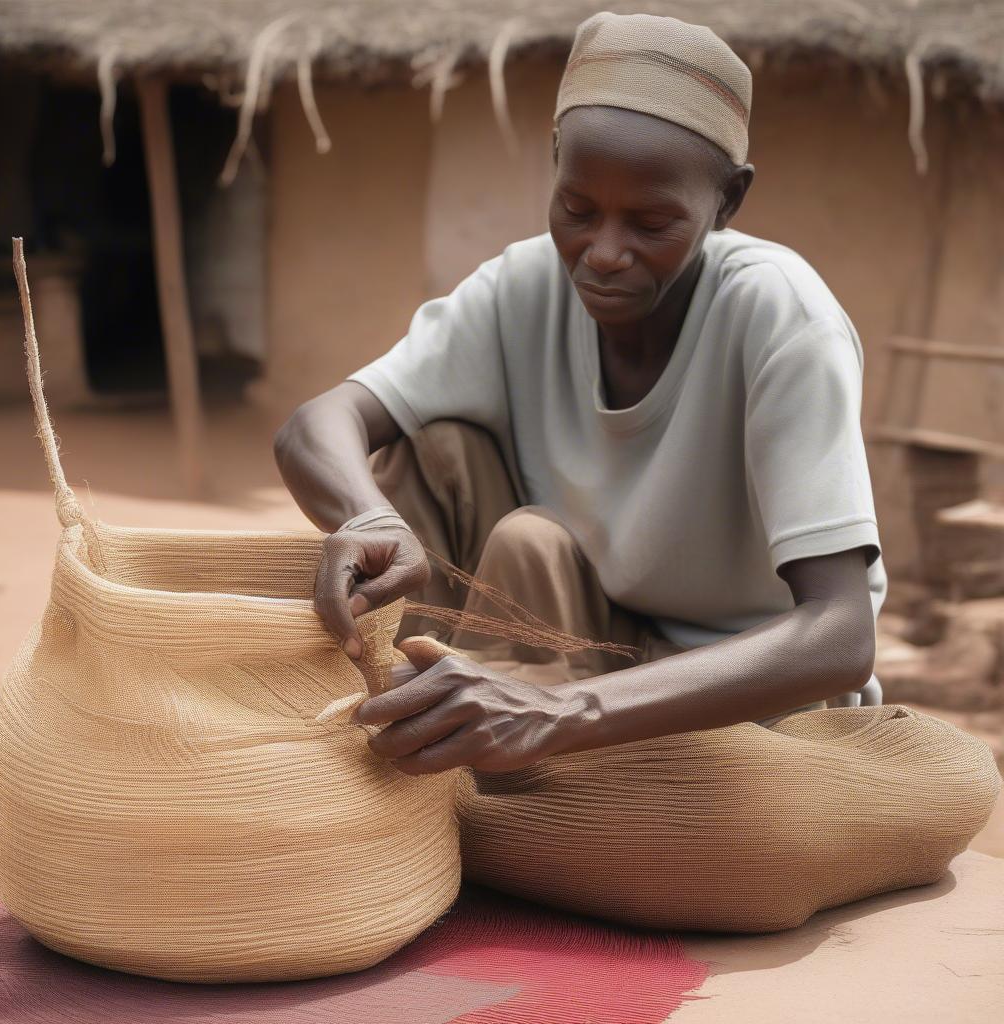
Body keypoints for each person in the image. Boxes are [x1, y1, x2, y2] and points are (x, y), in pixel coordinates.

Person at [274, 12, 891, 775]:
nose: (601, 254)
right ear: (555, 161)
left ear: (728, 202)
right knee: (436, 456)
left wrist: (560, 712)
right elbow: (318, 425)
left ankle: (511, 763)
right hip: (579, 635)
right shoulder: (524, 286)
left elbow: (839, 634)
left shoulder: (781, 318)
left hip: (739, 690)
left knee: (740, 844)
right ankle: (438, 719)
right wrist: (369, 517)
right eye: (577, 209)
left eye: (652, 222)